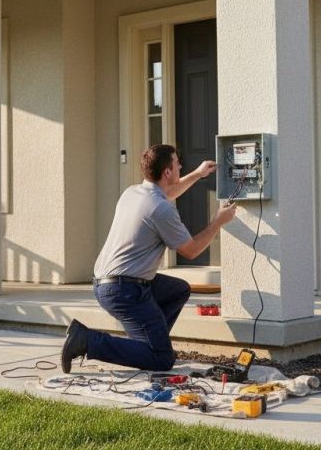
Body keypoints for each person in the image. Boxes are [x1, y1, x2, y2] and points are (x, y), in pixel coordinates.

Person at [60, 144, 237, 373]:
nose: (181, 166)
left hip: (110, 282)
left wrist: (197, 174)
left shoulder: (133, 192)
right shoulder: (160, 209)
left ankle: (149, 344)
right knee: (162, 360)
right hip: (124, 291)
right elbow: (191, 251)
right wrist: (218, 223)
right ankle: (87, 341)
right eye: (177, 163)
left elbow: (169, 192)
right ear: (167, 172)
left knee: (178, 290)